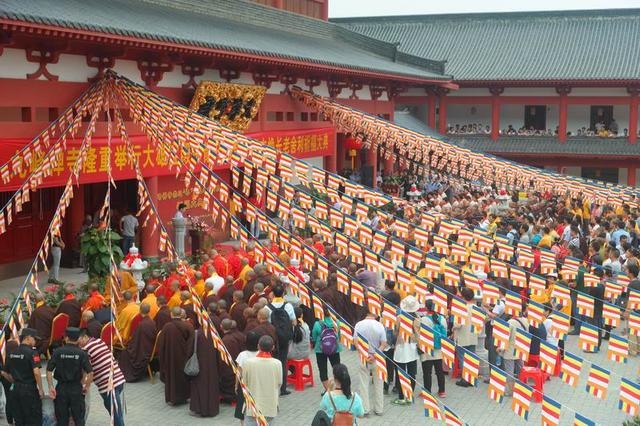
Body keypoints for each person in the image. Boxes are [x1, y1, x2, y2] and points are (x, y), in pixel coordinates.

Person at [78, 329, 126, 426]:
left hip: (108, 385)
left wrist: (85, 386)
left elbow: (88, 372)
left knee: (116, 415)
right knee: (114, 410)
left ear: (85, 337)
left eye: (79, 340)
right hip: (119, 379)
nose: (78, 344)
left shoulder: (86, 349)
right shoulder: (99, 341)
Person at [46, 327, 93, 426]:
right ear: (78, 338)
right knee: (79, 418)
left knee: (61, 418)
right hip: (76, 388)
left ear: (66, 338)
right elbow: (90, 372)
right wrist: (86, 386)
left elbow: (49, 370)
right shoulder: (82, 353)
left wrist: (50, 386)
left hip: (61, 388)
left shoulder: (58, 352)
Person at [2, 328, 45, 426]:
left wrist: (14, 381)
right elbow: (37, 372)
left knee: (19, 419)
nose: (35, 341)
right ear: (28, 338)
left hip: (15, 389)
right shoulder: (33, 353)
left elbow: (4, 373)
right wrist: (41, 389)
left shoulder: (11, 353)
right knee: (34, 418)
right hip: (29, 390)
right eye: (34, 339)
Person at [241, 335, 282, 426]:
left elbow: (244, 382)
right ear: (273, 347)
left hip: (252, 406)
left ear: (258, 346)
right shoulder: (277, 363)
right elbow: (279, 383)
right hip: (270, 405)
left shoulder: (248, 362)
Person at [158, 307, 194, 405]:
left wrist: (162, 357)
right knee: (183, 377)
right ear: (181, 315)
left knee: (172, 377)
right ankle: (184, 397)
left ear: (171, 315)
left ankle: (172, 398)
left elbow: (161, 344)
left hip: (170, 358)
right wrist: (188, 355)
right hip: (184, 357)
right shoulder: (188, 326)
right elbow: (191, 343)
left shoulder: (167, 327)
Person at [354, 311, 387, 416]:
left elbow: (355, 342)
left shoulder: (358, 324)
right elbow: (383, 344)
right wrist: (375, 355)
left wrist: (363, 353)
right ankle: (379, 409)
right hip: (377, 358)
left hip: (363, 357)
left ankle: (365, 409)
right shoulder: (380, 325)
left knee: (363, 384)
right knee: (379, 384)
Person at [266, 284, 295, 396]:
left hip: (272, 339)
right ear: (283, 294)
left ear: (272, 294)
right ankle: (283, 388)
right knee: (283, 361)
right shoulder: (288, 306)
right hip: (284, 338)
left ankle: (272, 386)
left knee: (272, 361)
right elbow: (293, 320)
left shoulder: (267, 308)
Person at [118, 303, 158, 382]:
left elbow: (135, 341)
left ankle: (125, 375)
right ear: (149, 311)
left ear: (140, 311)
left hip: (144, 352)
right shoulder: (152, 322)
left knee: (125, 353)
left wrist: (129, 345)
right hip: (151, 349)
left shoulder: (142, 325)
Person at [187, 327, 220, 418]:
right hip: (212, 365)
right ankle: (212, 409)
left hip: (199, 365)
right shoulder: (214, 333)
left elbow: (190, 350)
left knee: (199, 387)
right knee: (211, 386)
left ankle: (199, 409)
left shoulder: (197, 333)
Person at [415, 299, 446, 397]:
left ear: (427, 308)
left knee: (427, 372)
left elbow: (420, 333)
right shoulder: (442, 318)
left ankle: (427, 392)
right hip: (439, 348)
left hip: (427, 349)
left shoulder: (424, 319)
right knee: (439, 371)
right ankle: (442, 391)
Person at [453, 288, 478, 387]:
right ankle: (471, 379)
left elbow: (457, 324)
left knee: (463, 357)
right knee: (471, 358)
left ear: (463, 296)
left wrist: (453, 328)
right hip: (473, 335)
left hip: (462, 335)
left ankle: (465, 379)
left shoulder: (461, 308)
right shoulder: (476, 307)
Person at [234, 331, 260, 422]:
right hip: (257, 384)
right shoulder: (261, 354)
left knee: (242, 409)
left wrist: (236, 385)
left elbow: (238, 372)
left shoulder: (242, 355)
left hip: (244, 385)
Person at [219, 318, 246, 403]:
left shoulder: (226, 340)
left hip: (230, 364)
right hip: (239, 362)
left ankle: (230, 397)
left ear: (221, 327)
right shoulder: (239, 336)